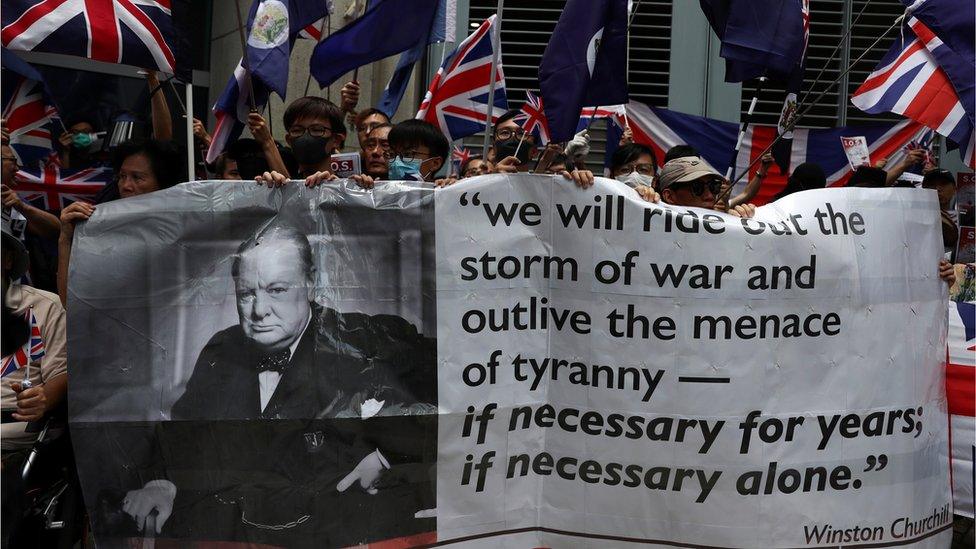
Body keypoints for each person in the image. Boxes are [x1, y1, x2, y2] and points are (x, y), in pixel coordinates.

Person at [115, 225, 435, 546]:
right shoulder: (221, 349)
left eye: (277, 290)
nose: (259, 310)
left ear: (310, 283)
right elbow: (182, 436)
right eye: (247, 294)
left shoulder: (366, 339)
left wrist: (387, 456)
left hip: (345, 534)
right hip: (242, 536)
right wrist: (162, 483)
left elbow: (460, 386)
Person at [1, 214, 69, 547]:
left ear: (7, 257)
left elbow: (63, 375)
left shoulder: (44, 306)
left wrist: (44, 396)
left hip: (20, 437)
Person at [57, 139, 185, 305]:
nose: (125, 185)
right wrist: (65, 239)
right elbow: (70, 302)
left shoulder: (181, 232)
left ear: (162, 185)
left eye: (137, 178)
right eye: (122, 176)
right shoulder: (100, 230)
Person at [256, 97, 347, 187]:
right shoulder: (285, 183)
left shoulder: (353, 186)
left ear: (336, 140)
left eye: (317, 130)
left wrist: (340, 189)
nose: (306, 137)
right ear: (289, 140)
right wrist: (267, 190)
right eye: (297, 130)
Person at [353, 119, 448, 189]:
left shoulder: (446, 193)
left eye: (407, 154)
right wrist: (357, 188)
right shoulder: (376, 191)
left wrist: (454, 190)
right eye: (392, 154)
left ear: (435, 163)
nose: (397, 161)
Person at [656, 156, 756, 218]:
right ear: (669, 196)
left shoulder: (730, 223)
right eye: (697, 188)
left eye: (713, 186)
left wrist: (739, 223)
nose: (709, 196)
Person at [2, 143, 60, 239]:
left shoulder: (12, 199)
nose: (17, 168)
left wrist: (23, 207)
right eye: (12, 160)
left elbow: (55, 229)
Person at [922, 168, 959, 256]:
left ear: (955, 189)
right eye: (931, 185)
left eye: (943, 184)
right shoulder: (914, 216)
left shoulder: (967, 219)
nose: (938, 189)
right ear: (923, 189)